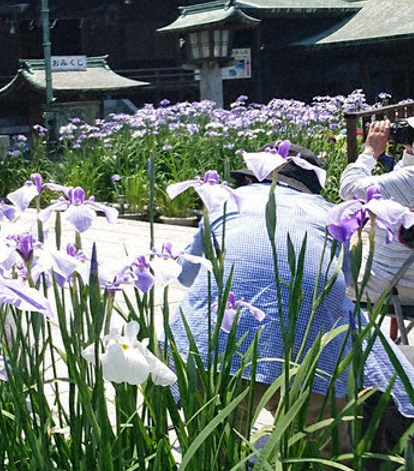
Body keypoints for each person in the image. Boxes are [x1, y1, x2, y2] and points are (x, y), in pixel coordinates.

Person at [172, 144, 414, 454]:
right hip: (312, 351)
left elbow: (187, 275)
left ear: (255, 178)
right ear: (310, 187)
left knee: (216, 449)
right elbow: (347, 282)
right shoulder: (327, 211)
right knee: (323, 448)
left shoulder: (225, 204)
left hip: (222, 345)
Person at [339, 118, 414, 296]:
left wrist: (369, 152)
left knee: (324, 273)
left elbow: (349, 189)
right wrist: (410, 153)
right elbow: (401, 183)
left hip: (393, 286)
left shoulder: (409, 179)